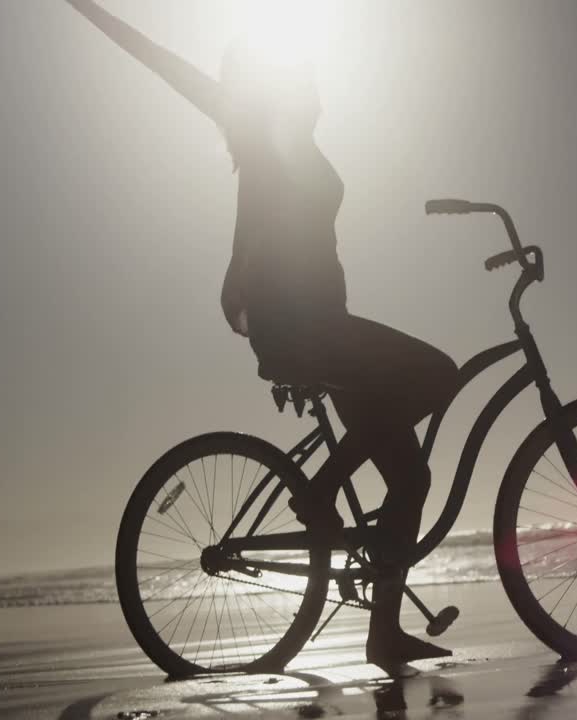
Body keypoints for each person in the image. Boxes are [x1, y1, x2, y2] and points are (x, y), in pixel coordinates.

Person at [64, 0, 459, 666]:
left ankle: (383, 633)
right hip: (305, 330)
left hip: (325, 335)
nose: (313, 83)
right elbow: (167, 66)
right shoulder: (254, 128)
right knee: (440, 373)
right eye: (300, 75)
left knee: (411, 479)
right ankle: (321, 486)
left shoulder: (299, 145)